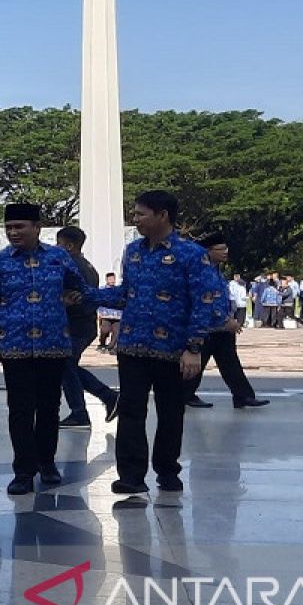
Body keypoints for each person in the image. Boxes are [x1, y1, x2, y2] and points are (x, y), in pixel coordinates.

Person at [92, 190, 228, 495]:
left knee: (170, 412)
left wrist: (193, 347)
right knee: (130, 410)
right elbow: (126, 294)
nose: (136, 219)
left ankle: (167, 471)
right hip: (132, 346)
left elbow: (205, 303)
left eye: (141, 214)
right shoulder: (133, 252)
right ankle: (131, 475)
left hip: (174, 351)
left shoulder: (192, 255)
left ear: (162, 215)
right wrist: (87, 296)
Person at [0, 204, 94, 495]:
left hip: (53, 345)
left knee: (49, 408)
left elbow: (81, 288)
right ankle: (23, 471)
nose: (13, 232)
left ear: (37, 227)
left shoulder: (59, 258)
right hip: (15, 347)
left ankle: (47, 462)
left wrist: (73, 298)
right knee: (19, 410)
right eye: (9, 227)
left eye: (20, 226)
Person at [186, 234, 270, 410]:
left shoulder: (217, 270)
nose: (226, 252)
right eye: (221, 249)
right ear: (208, 251)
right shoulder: (203, 272)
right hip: (207, 327)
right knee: (197, 363)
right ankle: (185, 394)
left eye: (226, 248)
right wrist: (225, 320)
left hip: (222, 328)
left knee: (230, 363)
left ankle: (243, 396)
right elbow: (206, 299)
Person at [54, 227, 120, 429]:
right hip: (85, 323)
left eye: (59, 244)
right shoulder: (89, 266)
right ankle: (97, 402)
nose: (56, 249)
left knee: (65, 365)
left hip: (75, 323)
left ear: (69, 245)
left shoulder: (70, 265)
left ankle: (86, 409)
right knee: (66, 366)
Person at [97, 272, 121, 353]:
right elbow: (98, 301)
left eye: (113, 278)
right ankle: (102, 344)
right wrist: (99, 312)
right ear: (106, 280)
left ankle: (110, 347)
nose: (112, 280)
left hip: (117, 316)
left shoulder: (119, 290)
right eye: (110, 279)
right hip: (105, 315)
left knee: (116, 332)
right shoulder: (102, 290)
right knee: (105, 330)